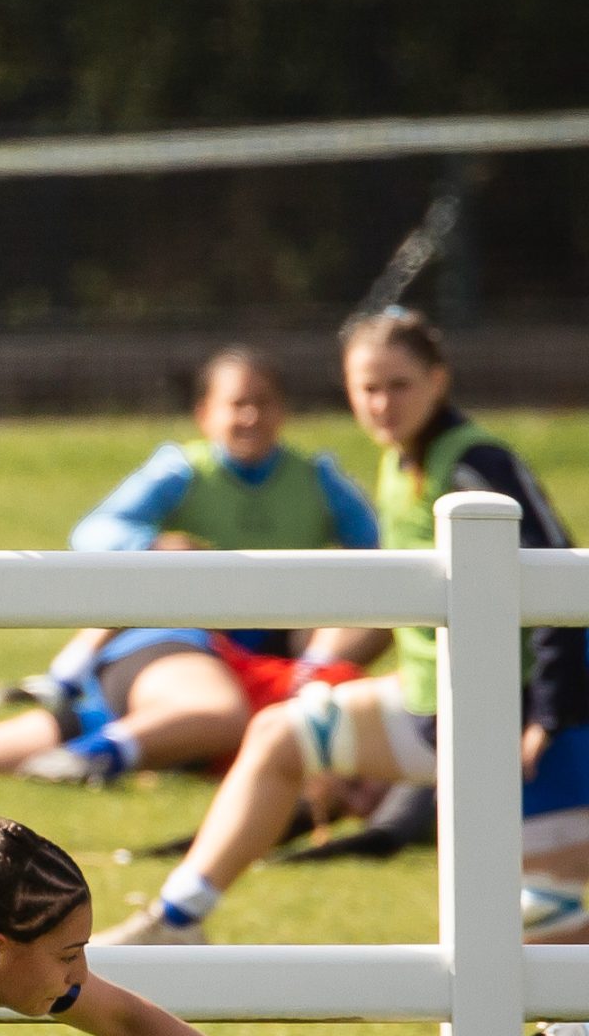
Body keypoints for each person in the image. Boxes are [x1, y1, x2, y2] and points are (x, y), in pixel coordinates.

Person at [98, 308, 589, 945]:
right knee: (281, 734)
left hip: (525, 719)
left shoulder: (477, 464)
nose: (382, 403)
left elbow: (559, 588)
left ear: (439, 381)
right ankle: (177, 921)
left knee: (543, 921)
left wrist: (549, 716)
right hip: (435, 709)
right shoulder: (396, 464)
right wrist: (324, 676)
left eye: (400, 385)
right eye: (367, 387)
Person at [0, 348, 380, 786]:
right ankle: (93, 742)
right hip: (179, 642)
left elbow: (382, 560)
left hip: (275, 654)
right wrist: (158, 547)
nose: (251, 417)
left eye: (264, 402)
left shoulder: (317, 476)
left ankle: (133, 729)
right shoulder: (183, 470)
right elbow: (93, 532)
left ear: (283, 411)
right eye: (237, 404)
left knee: (374, 620)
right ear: (205, 414)